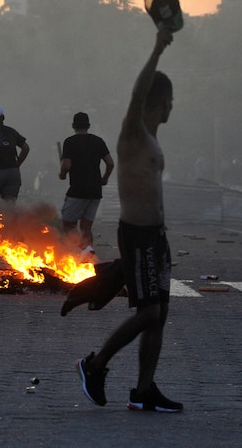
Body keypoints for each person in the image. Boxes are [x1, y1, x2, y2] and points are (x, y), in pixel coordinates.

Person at [76, 28, 182, 413]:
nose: (174, 107)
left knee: (160, 315)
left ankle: (143, 390)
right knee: (149, 312)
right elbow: (138, 94)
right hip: (136, 236)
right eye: (170, 101)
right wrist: (157, 48)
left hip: (156, 238)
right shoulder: (133, 134)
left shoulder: (152, 141)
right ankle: (94, 364)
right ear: (159, 102)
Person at [58, 112, 115, 254]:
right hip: (95, 191)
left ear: (73, 126)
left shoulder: (69, 142)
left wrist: (62, 174)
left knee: (68, 225)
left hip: (78, 190)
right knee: (86, 228)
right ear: (88, 126)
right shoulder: (98, 141)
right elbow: (110, 163)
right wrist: (105, 178)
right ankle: (88, 253)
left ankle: (78, 252)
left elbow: (66, 166)